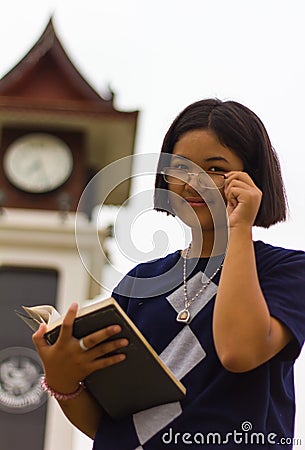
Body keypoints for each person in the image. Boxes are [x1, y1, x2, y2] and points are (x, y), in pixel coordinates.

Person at [33, 98, 305, 449]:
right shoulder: (138, 282)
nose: (194, 183)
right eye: (181, 168)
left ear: (251, 178)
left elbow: (238, 352)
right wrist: (63, 380)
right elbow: (110, 426)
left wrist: (239, 227)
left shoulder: (287, 272)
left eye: (215, 168)